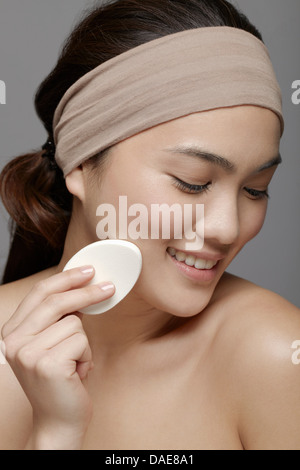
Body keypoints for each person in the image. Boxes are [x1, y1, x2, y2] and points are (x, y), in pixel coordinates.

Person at [0, 0, 299, 451]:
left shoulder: (276, 353)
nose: (227, 227)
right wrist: (55, 434)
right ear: (80, 163)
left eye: (255, 189)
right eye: (192, 182)